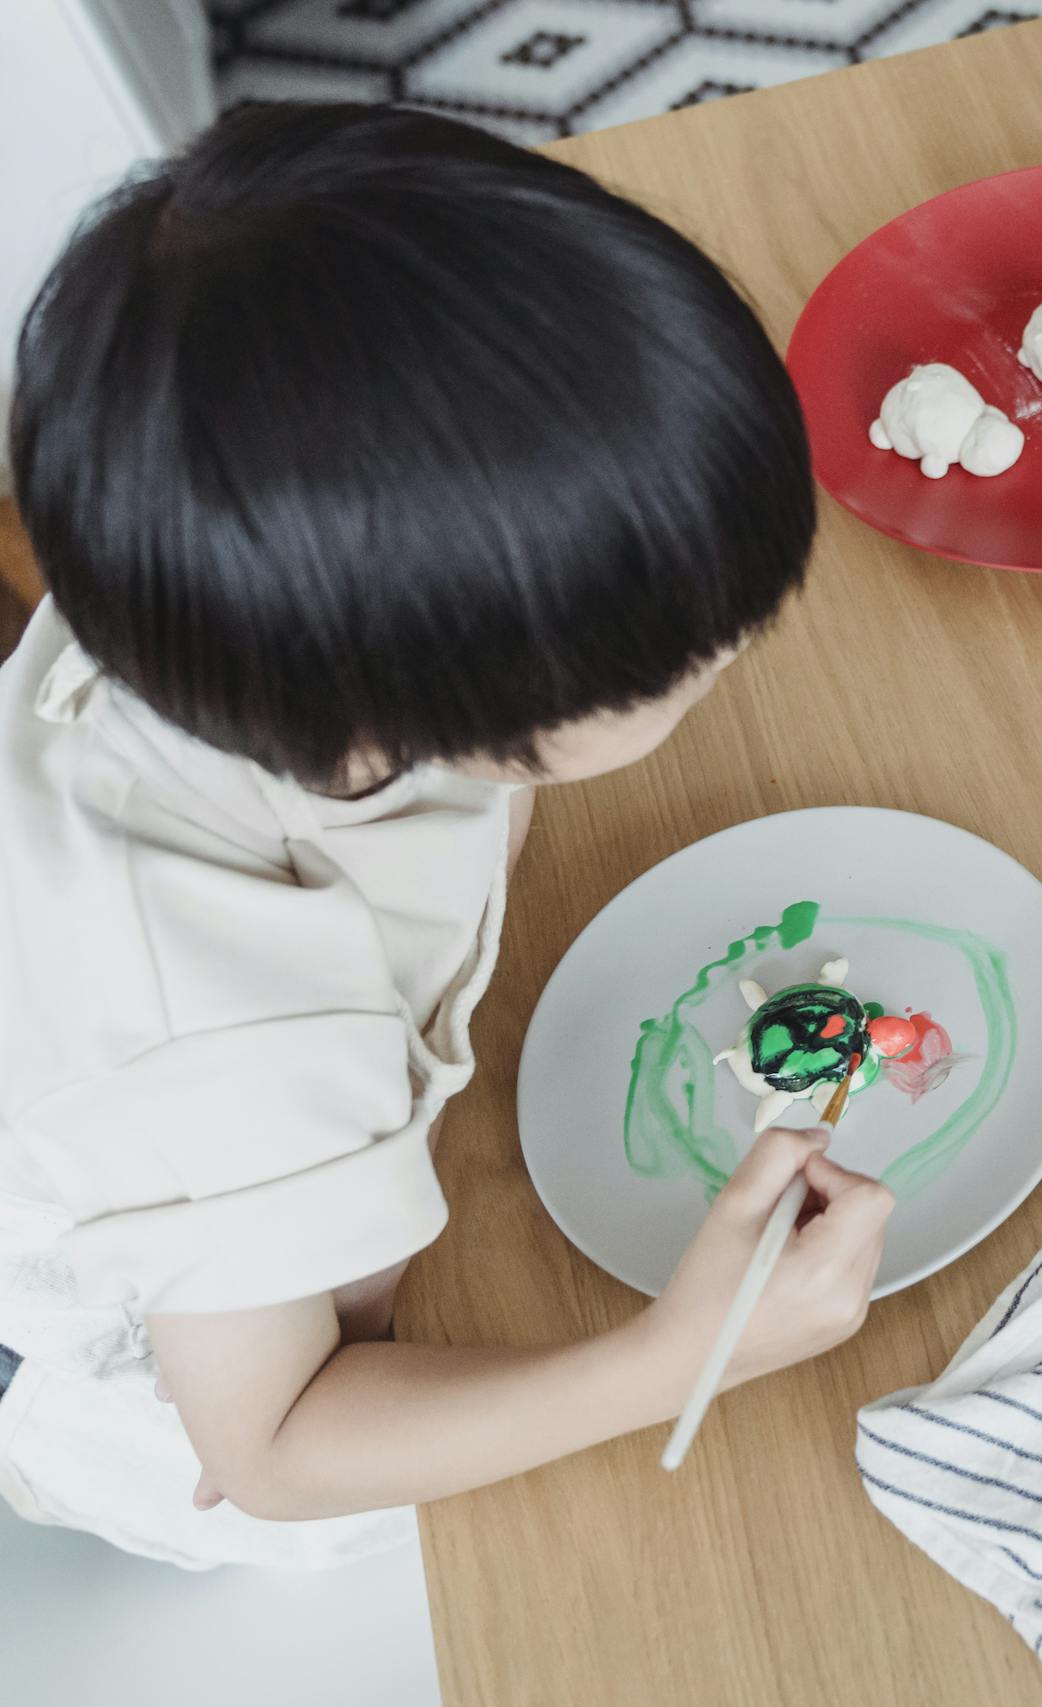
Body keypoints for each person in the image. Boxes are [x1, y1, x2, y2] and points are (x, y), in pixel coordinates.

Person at [0, 104, 893, 1568]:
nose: (737, 643)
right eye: (692, 652)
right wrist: (682, 1354)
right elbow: (278, 1443)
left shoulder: (228, 593)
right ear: (416, 697)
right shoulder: (196, 1023)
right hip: (177, 1357)